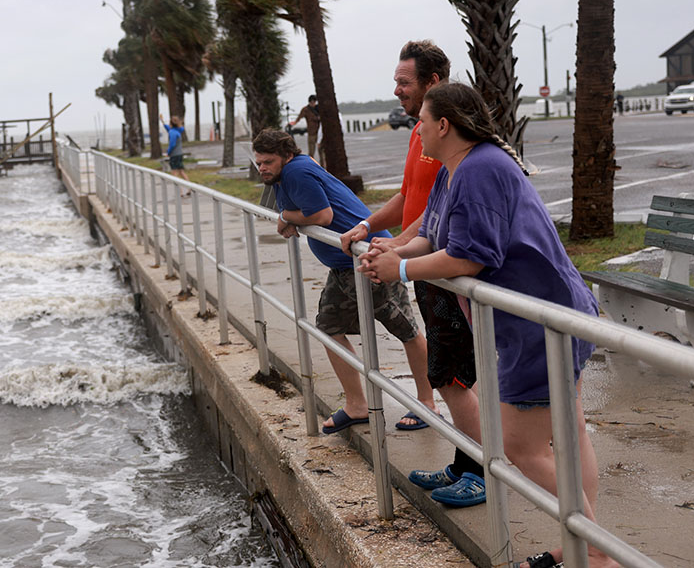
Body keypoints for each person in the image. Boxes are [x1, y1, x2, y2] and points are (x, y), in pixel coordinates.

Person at [360, 83, 607, 568]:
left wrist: (402, 270)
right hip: (546, 317)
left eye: (422, 122)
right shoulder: (457, 168)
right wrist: (396, 250)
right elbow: (434, 234)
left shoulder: (481, 169)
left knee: (520, 445)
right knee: (569, 434)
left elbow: (470, 257)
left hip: (540, 322)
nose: (417, 131)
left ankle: (597, 553)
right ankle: (581, 543)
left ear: (444, 125)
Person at [339, 40, 488, 507]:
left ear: (433, 83)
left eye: (404, 82)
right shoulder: (421, 134)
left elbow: (446, 215)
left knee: (453, 375)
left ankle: (480, 471)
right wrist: (372, 229)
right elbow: (413, 200)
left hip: (444, 268)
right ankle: (464, 463)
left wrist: (401, 257)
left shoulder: (451, 142)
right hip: (426, 265)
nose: (397, 90)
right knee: (450, 373)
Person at [252, 129, 437, 435]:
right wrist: (289, 217)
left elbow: (322, 216)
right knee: (329, 327)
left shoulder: (296, 171)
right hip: (343, 266)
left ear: (286, 156)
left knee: (406, 329)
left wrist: (287, 217)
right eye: (259, 162)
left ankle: (427, 403)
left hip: (369, 259)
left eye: (268, 162)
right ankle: (357, 405)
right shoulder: (289, 171)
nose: (262, 168)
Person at [288, 95, 320, 163]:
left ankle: (324, 166)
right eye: (311, 102)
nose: (313, 103)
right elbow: (299, 117)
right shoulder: (306, 109)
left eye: (314, 102)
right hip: (311, 132)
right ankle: (311, 164)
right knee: (311, 151)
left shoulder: (319, 108)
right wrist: (294, 123)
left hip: (320, 132)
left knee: (322, 151)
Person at [166, 115, 191, 184]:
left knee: (174, 173)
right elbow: (169, 128)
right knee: (181, 172)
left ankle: (179, 189)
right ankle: (189, 186)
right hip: (179, 154)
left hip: (174, 155)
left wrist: (168, 152)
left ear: (171, 123)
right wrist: (163, 122)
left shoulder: (172, 132)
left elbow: (172, 144)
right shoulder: (178, 131)